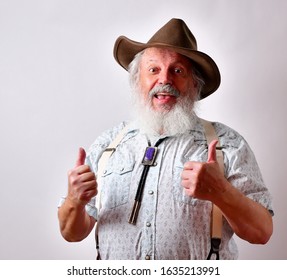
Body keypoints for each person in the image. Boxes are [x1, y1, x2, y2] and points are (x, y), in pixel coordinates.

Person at [58, 18, 273, 260]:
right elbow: (71, 233)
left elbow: (261, 232)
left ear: (194, 83)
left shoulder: (227, 144)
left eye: (177, 70)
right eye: (153, 69)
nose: (165, 80)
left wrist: (221, 192)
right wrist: (74, 200)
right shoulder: (108, 145)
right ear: (137, 79)